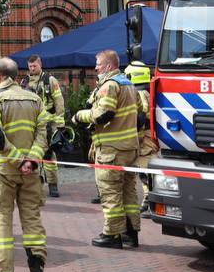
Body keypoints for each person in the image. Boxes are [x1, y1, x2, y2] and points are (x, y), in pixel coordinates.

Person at [0, 57, 50, 272]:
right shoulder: (35, 99)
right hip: (31, 171)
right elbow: (44, 132)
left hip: (4, 170)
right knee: (32, 218)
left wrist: (17, 159)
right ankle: (37, 271)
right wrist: (31, 160)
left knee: (2, 219)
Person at [75, 50, 141, 249]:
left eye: (99, 65)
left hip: (111, 151)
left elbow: (104, 114)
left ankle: (112, 235)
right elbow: (141, 117)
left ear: (109, 66)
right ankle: (131, 233)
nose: (96, 68)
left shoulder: (109, 86)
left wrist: (80, 116)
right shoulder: (129, 85)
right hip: (130, 149)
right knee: (128, 192)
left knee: (110, 192)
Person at [21, 55, 65, 198]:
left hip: (48, 124)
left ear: (40, 64)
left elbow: (59, 102)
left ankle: (52, 185)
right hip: (31, 124)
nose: (32, 69)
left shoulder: (50, 80)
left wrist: (59, 123)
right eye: (30, 66)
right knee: (31, 153)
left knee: (48, 155)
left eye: (35, 66)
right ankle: (32, 185)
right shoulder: (24, 82)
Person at [124, 59, 158, 197]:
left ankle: (150, 200)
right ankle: (148, 200)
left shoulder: (140, 93)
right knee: (145, 171)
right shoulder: (147, 90)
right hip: (148, 137)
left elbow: (142, 115)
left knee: (145, 172)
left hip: (145, 139)